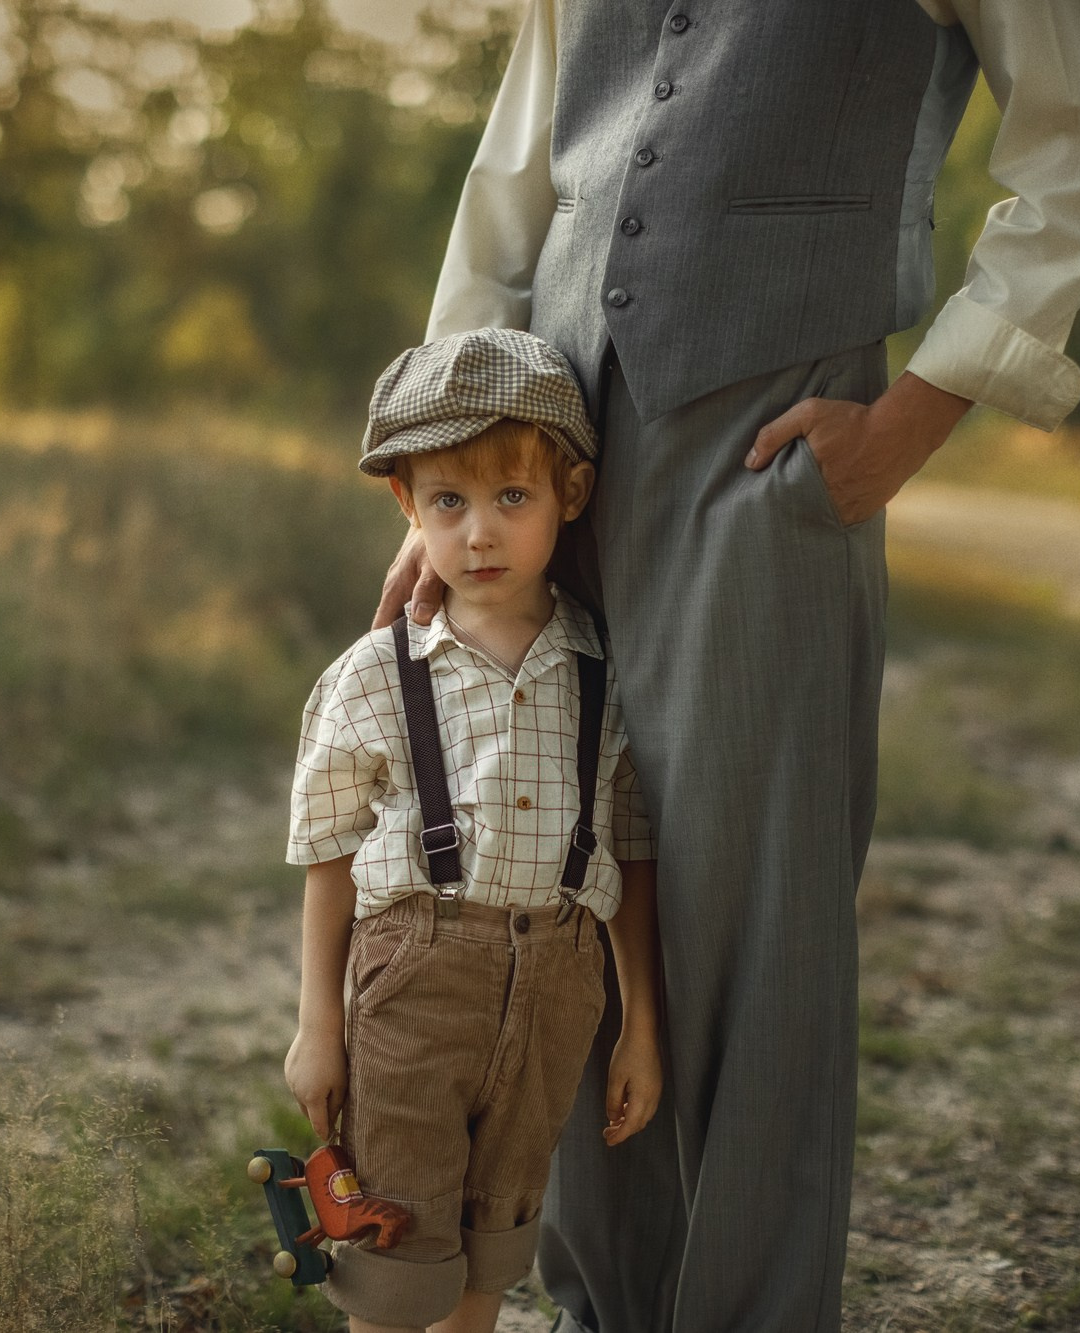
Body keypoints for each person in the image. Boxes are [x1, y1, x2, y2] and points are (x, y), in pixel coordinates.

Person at [379, 2, 1080, 1330]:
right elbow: (508, 192)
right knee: (562, 885)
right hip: (547, 467)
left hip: (768, 450)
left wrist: (916, 414)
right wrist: (458, 482)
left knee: (759, 923)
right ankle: (604, 1308)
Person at [285, 327, 666, 1333]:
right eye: (447, 502)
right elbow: (326, 854)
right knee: (394, 1254)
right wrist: (317, 1026)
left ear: (570, 497)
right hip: (412, 985)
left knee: (488, 1253)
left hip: (556, 986)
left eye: (512, 497)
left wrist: (641, 1025)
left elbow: (627, 854)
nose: (480, 534)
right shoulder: (374, 674)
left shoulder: (604, 671)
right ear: (406, 506)